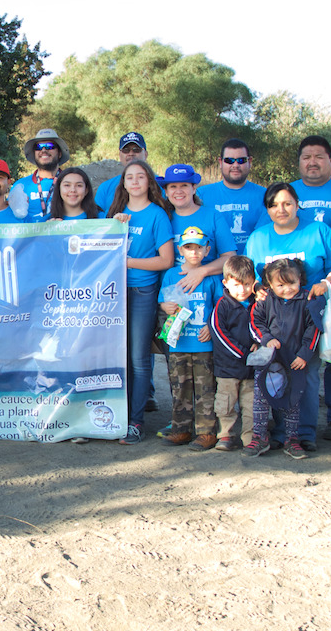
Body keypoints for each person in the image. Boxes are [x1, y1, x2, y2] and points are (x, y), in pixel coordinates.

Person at [243, 182, 331, 451]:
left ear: (297, 203)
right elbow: (252, 279)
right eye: (274, 204)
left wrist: (327, 282)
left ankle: (304, 434)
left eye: (287, 203)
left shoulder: (318, 230)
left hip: (307, 318)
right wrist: (257, 289)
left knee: (307, 377)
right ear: (266, 209)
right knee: (277, 376)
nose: (282, 209)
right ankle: (280, 433)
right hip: (275, 321)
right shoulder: (258, 238)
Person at [291, 135, 331, 442]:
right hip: (296, 293)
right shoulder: (289, 193)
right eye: (307, 157)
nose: (313, 162)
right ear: (299, 162)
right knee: (303, 356)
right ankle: (299, 421)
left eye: (319, 157)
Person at [107, 160, 174, 444]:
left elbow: (166, 259)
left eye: (140, 177)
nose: (134, 182)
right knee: (115, 358)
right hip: (113, 295)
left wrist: (130, 262)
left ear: (149, 183)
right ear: (123, 183)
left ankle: (135, 422)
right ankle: (114, 417)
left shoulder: (157, 215)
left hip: (143, 293)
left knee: (138, 359)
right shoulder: (115, 215)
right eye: (129, 177)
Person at [246, 258, 325, 460]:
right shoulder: (265, 301)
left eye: (292, 283)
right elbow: (255, 322)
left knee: (293, 400)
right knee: (262, 398)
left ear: (300, 280)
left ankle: (292, 440)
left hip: (295, 361)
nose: (287, 289)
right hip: (269, 361)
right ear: (270, 284)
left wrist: (304, 354)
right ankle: (260, 437)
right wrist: (267, 338)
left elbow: (314, 329)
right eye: (280, 285)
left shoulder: (308, 301)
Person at [157, 228, 222, 450]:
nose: (194, 252)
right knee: (180, 387)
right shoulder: (171, 275)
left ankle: (206, 432)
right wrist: (165, 306)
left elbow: (221, 307)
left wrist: (211, 328)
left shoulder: (212, 277)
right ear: (180, 249)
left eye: (198, 247)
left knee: (205, 388)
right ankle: (181, 429)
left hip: (203, 342)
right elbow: (163, 302)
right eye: (188, 247)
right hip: (179, 342)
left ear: (207, 249)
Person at [159, 163, 235, 290]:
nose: (179, 191)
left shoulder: (213, 216)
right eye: (173, 186)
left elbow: (230, 257)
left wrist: (202, 271)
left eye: (184, 185)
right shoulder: (162, 218)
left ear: (194, 188)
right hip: (171, 293)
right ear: (166, 192)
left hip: (207, 291)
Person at [210, 255, 259, 452]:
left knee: (252, 405)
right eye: (237, 285)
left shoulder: (258, 302)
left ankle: (251, 437)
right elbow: (219, 333)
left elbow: (262, 326)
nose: (242, 290)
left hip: (252, 369)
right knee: (226, 404)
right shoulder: (223, 305)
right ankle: (225, 435)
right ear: (226, 283)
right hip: (228, 367)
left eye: (247, 284)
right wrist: (243, 353)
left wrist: (259, 342)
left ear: (254, 282)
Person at [198, 138, 268, 255]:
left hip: (251, 268)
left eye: (241, 160)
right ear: (220, 162)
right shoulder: (201, 195)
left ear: (249, 161)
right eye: (229, 160)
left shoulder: (265, 195)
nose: (235, 165)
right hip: (212, 268)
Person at [12, 128, 70, 223]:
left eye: (49, 146)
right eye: (38, 147)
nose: (43, 150)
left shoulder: (72, 184)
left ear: (59, 153)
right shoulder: (20, 186)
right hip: (30, 237)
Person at [94, 131, 148, 213]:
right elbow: (97, 220)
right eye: (126, 150)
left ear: (146, 154)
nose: (131, 153)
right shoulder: (105, 188)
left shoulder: (159, 185)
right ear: (120, 155)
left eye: (136, 150)